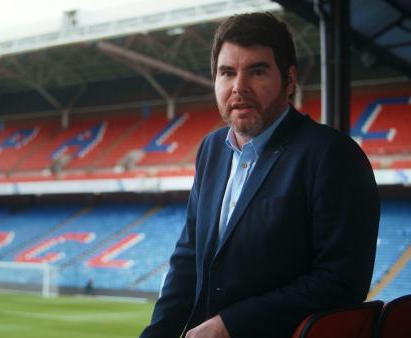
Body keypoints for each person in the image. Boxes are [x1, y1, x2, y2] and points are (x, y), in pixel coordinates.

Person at [140, 12, 380, 338]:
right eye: (227, 73)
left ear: (290, 79)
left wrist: (232, 325)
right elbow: (188, 258)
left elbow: (342, 281)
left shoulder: (333, 155)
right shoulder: (211, 149)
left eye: (257, 71)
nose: (239, 87)